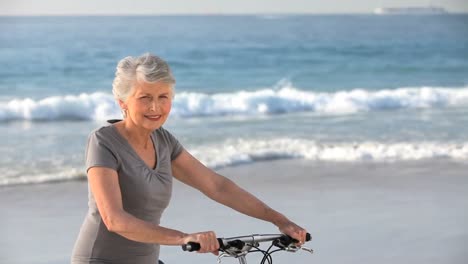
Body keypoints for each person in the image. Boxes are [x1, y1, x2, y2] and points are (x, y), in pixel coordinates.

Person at [71, 53, 309, 264]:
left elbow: (217, 186)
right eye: (145, 97)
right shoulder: (103, 141)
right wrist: (183, 238)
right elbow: (115, 220)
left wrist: (280, 220)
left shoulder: (163, 141)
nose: (155, 107)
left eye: (163, 97)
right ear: (123, 102)